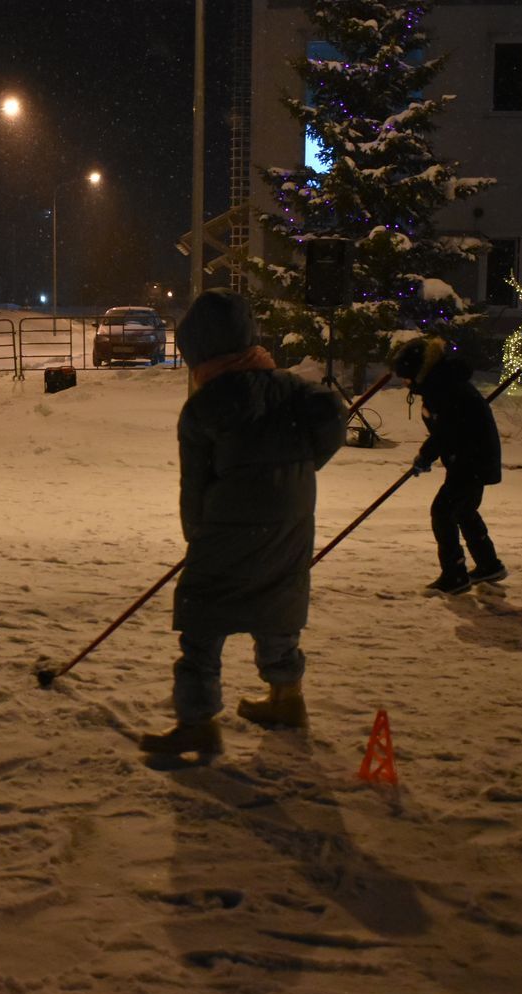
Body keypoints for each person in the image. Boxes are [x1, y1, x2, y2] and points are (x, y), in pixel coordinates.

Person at [139, 291, 345, 759]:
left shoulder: (206, 407)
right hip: (291, 523)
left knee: (203, 615)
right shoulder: (293, 389)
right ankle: (286, 699)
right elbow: (332, 415)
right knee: (277, 605)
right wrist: (301, 466)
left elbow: (195, 486)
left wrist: (197, 538)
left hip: (228, 527)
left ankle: (197, 724)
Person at [393, 336, 505, 596]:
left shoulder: (443, 387)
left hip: (471, 459)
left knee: (443, 512)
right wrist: (431, 453)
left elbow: (447, 431)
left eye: (405, 377)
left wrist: (425, 456)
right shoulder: (442, 383)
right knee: (463, 511)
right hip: (471, 457)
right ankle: (489, 565)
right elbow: (447, 430)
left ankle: (454, 576)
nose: (404, 383)